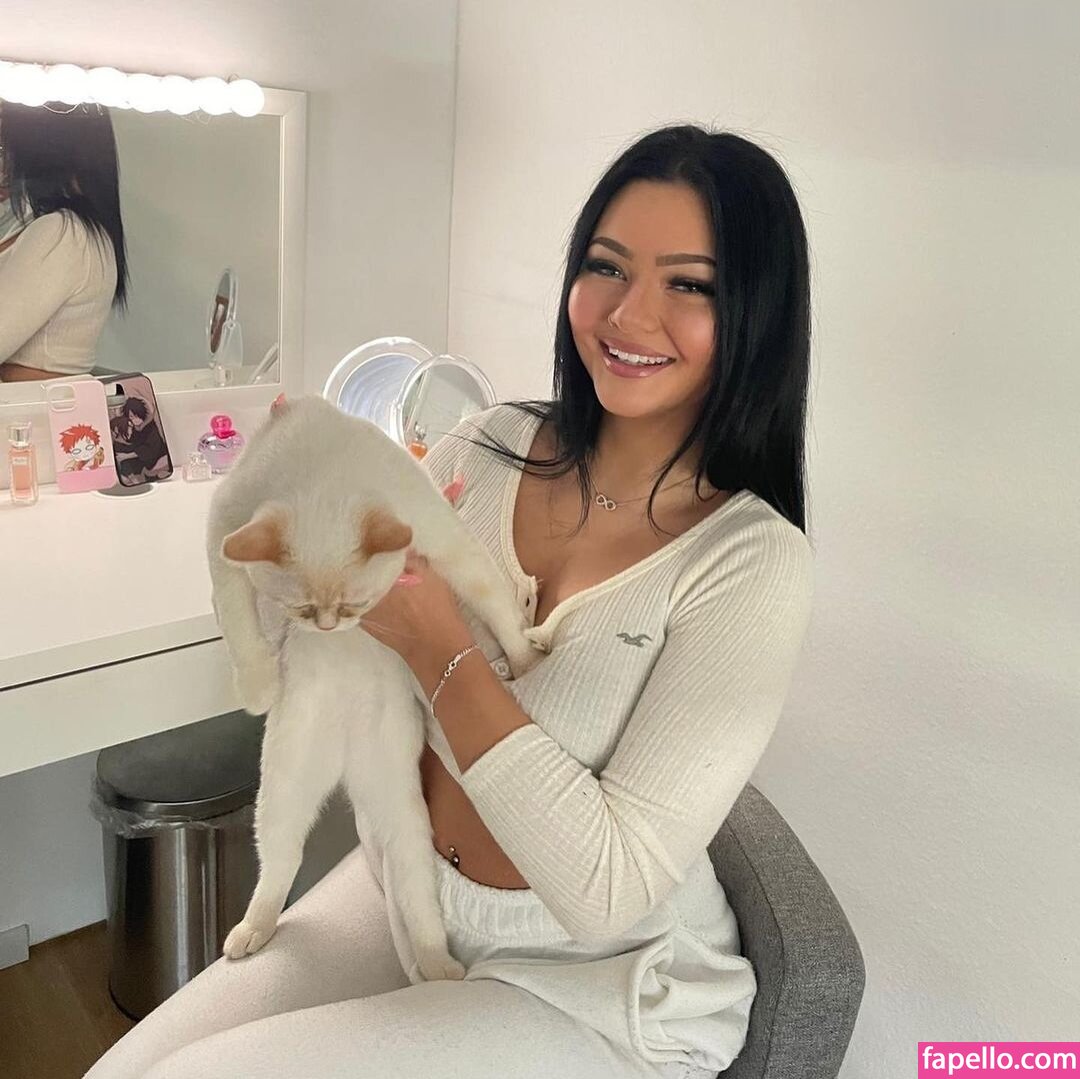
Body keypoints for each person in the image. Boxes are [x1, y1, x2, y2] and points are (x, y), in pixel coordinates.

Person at [85, 124, 815, 1079]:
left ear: (756, 313)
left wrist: (440, 645)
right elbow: (320, 627)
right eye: (606, 267)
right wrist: (285, 504)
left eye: (690, 284)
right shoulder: (486, 444)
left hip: (596, 984)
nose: (630, 313)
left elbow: (603, 891)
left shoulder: (749, 563)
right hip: (411, 894)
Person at [0, 100, 128, 383]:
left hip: (30, 406)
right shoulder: (66, 228)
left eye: (7, 142)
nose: (6, 156)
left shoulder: (63, 233)